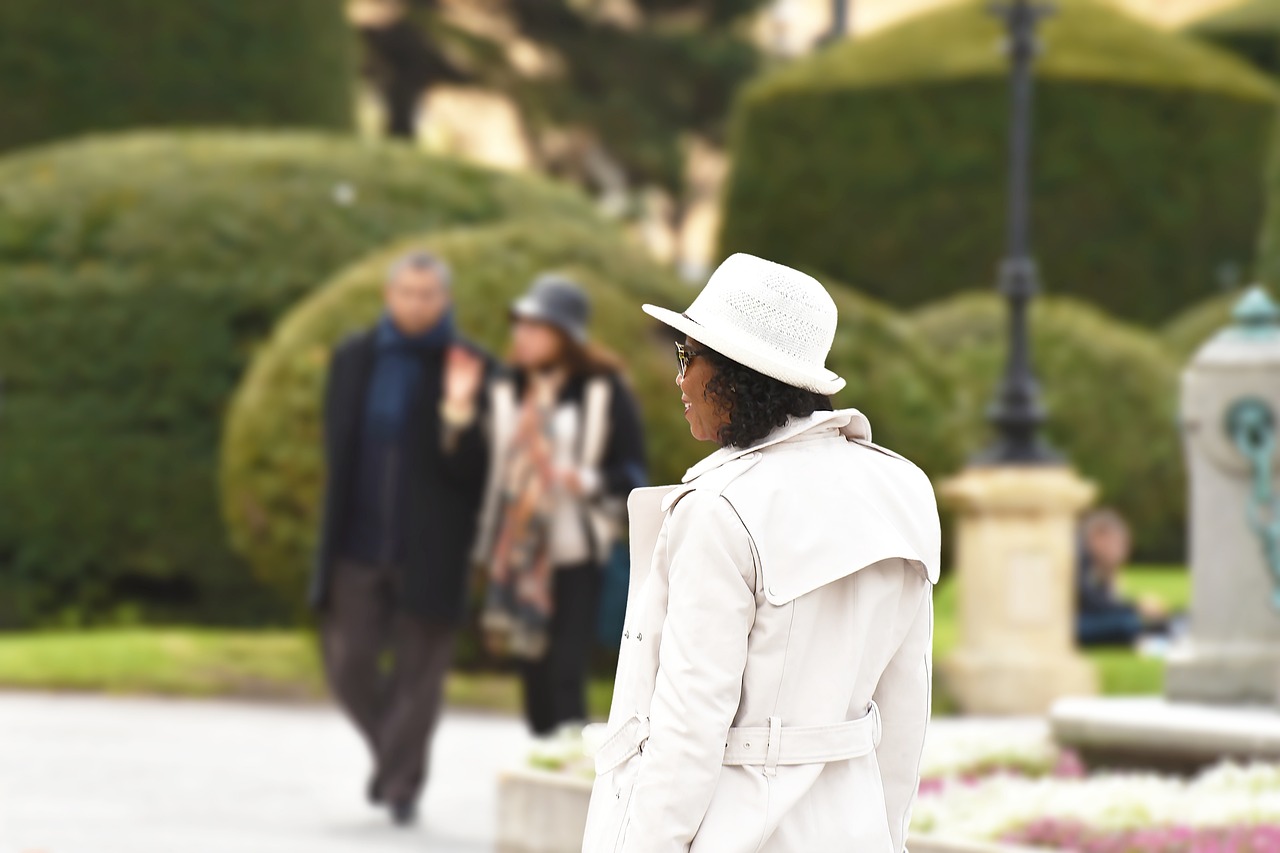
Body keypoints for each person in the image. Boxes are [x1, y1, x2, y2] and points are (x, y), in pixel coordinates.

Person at [582, 253, 942, 852]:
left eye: (687, 357)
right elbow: (907, 707)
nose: (679, 379)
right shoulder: (902, 489)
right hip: (854, 830)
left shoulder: (721, 508)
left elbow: (688, 727)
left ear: (736, 373)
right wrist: (889, 833)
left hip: (736, 827)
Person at [309, 251, 491, 826]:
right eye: (407, 292)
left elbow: (480, 471)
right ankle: (396, 754)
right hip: (356, 543)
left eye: (428, 294)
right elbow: (338, 449)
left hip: (430, 551)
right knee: (348, 664)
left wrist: (459, 417)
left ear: (445, 301)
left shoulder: (470, 365)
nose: (416, 303)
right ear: (389, 296)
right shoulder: (353, 359)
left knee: (421, 675)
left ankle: (400, 784)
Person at [476, 274, 647, 736]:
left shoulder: (603, 389)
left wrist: (585, 480)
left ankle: (572, 769)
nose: (523, 336)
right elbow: (480, 466)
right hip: (519, 550)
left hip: (576, 549)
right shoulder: (504, 387)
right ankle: (547, 757)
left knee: (565, 668)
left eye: (537, 326)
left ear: (566, 334)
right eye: (521, 324)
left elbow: (633, 472)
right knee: (530, 670)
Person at [1076, 508, 1166, 647]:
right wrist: (1136, 607)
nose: (1124, 552)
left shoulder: (1091, 561)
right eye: (1120, 544)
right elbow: (1092, 604)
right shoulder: (1077, 558)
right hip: (1064, 626)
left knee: (1129, 622)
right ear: (1099, 538)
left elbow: (1106, 602)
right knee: (1126, 624)